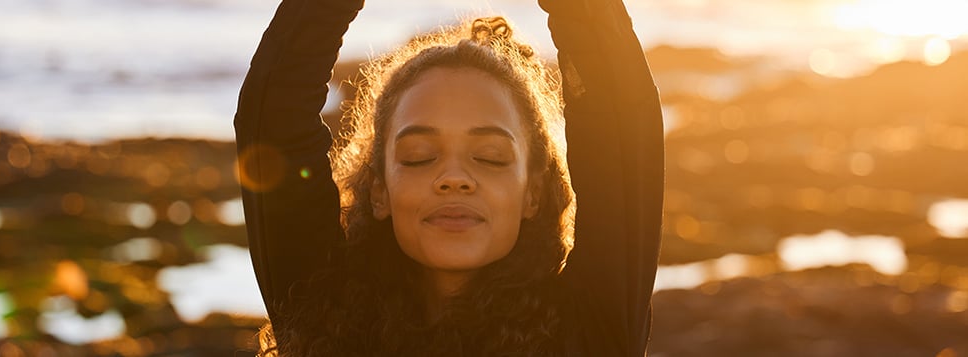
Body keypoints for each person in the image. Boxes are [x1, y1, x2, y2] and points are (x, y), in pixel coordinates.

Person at [233, 0, 663, 355]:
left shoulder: (588, 329)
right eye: (419, 156)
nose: (454, 178)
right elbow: (273, 120)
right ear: (378, 191)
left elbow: (622, 124)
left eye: (490, 157)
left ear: (533, 192)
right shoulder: (321, 312)